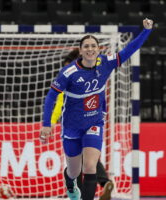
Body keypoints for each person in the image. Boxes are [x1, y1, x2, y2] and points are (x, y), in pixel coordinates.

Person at [40, 18, 153, 200]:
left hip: (94, 122)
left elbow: (129, 50)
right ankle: (70, 183)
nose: (90, 49)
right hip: (71, 125)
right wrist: (47, 124)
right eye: (86, 46)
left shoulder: (106, 62)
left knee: (90, 167)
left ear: (98, 49)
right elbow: (51, 96)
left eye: (93, 46)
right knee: (74, 171)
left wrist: (146, 30)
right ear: (81, 50)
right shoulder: (68, 73)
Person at [51, 49, 114, 200]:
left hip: (74, 125)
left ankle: (78, 194)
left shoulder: (70, 80)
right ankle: (104, 182)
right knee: (90, 161)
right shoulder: (91, 75)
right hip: (92, 122)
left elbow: (60, 103)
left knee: (78, 162)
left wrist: (52, 121)